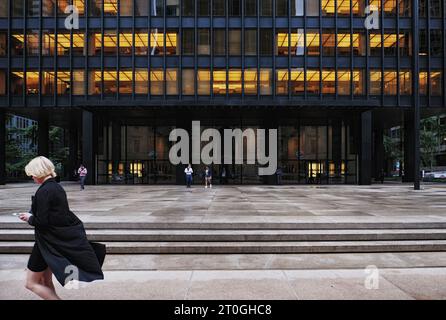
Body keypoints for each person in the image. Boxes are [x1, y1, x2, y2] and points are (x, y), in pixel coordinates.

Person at [17, 156, 105, 300]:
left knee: (31, 283)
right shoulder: (56, 187)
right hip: (51, 242)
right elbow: (57, 216)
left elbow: (43, 222)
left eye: (32, 173)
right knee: (46, 281)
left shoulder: (45, 190)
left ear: (39, 172)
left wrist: (29, 218)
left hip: (45, 243)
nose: (32, 177)